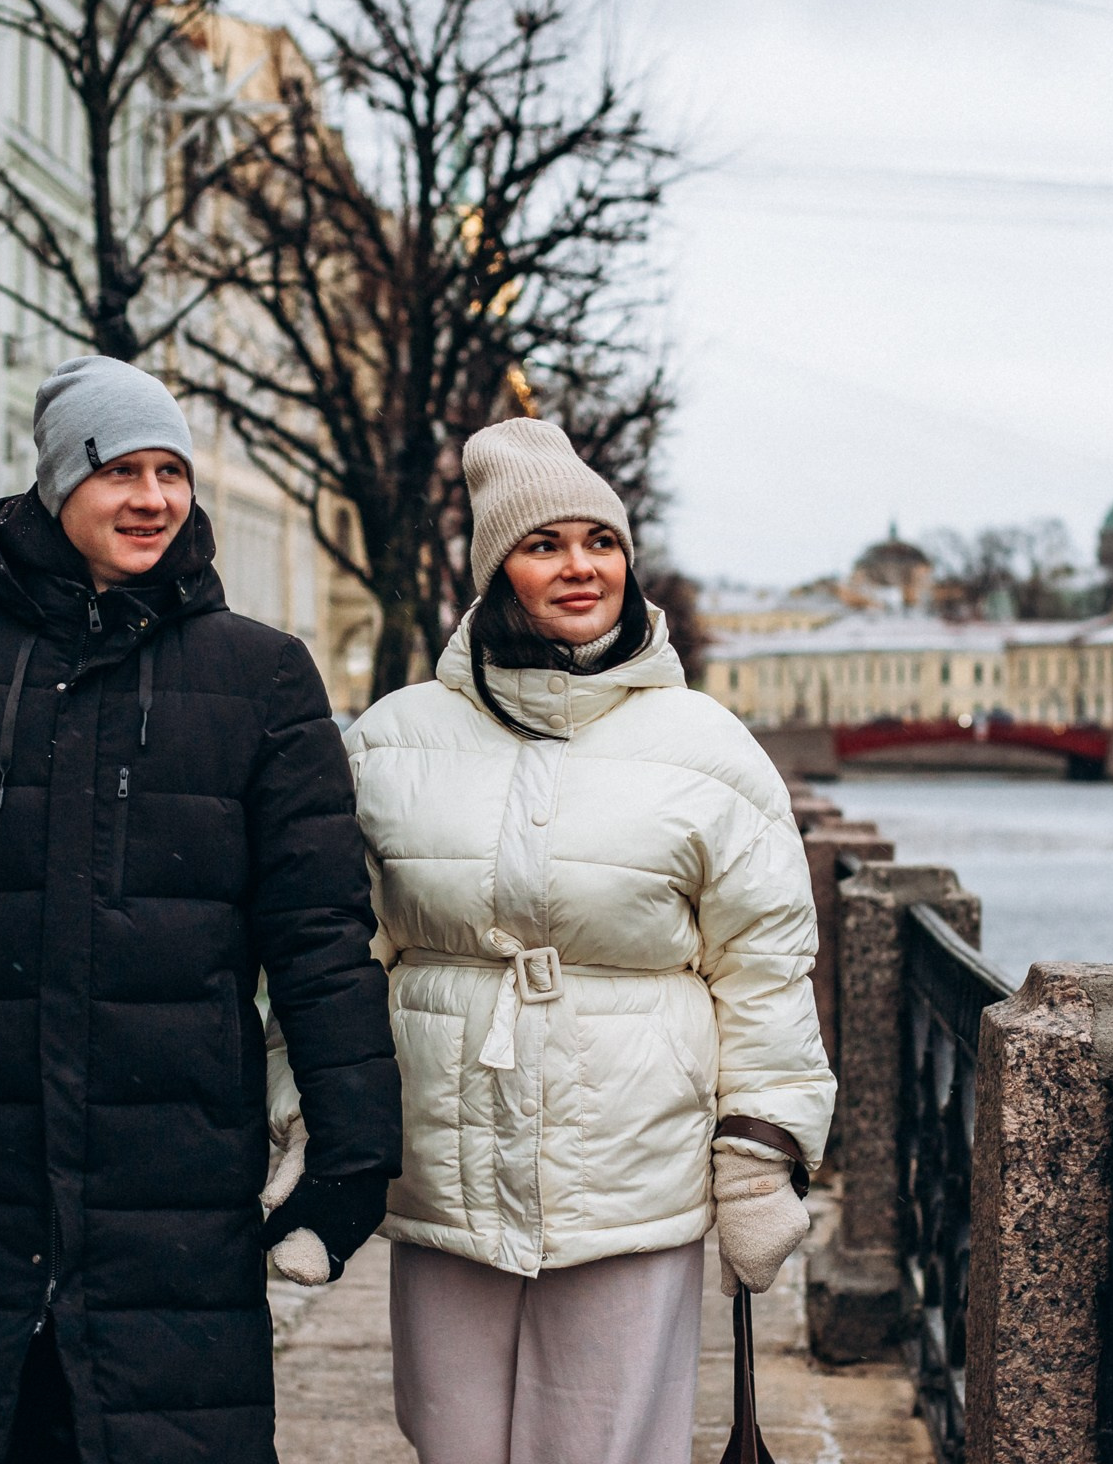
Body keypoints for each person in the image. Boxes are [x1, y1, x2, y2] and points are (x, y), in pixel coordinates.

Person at [0, 355, 401, 1464]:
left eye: (172, 471)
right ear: (59, 482)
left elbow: (317, 934)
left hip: (175, 1185)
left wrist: (354, 1148)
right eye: (121, 470)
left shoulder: (262, 680)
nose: (153, 498)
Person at [338, 417, 836, 1464]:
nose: (580, 567)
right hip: (446, 1160)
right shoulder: (392, 739)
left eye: (600, 542)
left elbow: (767, 966)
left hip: (632, 1159)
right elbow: (339, 948)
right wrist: (312, 1119)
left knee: (606, 1447)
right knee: (453, 1441)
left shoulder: (706, 749)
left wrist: (759, 1156)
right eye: (544, 544)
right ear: (494, 571)